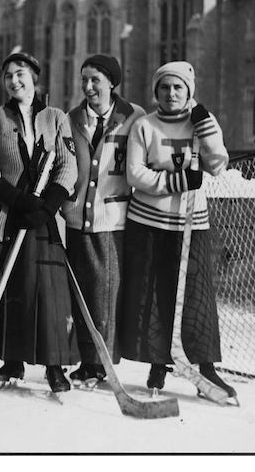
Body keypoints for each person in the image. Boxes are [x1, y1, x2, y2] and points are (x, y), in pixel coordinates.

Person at [119, 60, 236, 397]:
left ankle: (207, 369)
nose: (171, 94)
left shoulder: (202, 122)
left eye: (178, 88)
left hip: (192, 223)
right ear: (156, 91)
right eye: (165, 87)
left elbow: (217, 164)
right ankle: (159, 365)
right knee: (156, 292)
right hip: (149, 223)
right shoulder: (145, 126)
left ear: (189, 92)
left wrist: (206, 127)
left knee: (197, 295)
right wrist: (177, 180)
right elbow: (135, 175)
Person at [0, 51, 79, 393]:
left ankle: (54, 366)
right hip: (7, 216)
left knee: (49, 293)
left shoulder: (56, 117)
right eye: (8, 76)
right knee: (12, 289)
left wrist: (47, 207)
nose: (14, 81)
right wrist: (17, 199)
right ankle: (12, 360)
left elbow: (67, 165)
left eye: (21, 74)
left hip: (42, 219)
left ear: (34, 79)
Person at [61, 55, 145, 384]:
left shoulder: (134, 116)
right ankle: (88, 359)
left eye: (95, 79)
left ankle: (102, 362)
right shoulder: (72, 118)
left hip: (112, 220)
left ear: (111, 82)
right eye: (84, 79)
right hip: (77, 218)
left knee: (105, 294)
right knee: (82, 292)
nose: (88, 86)